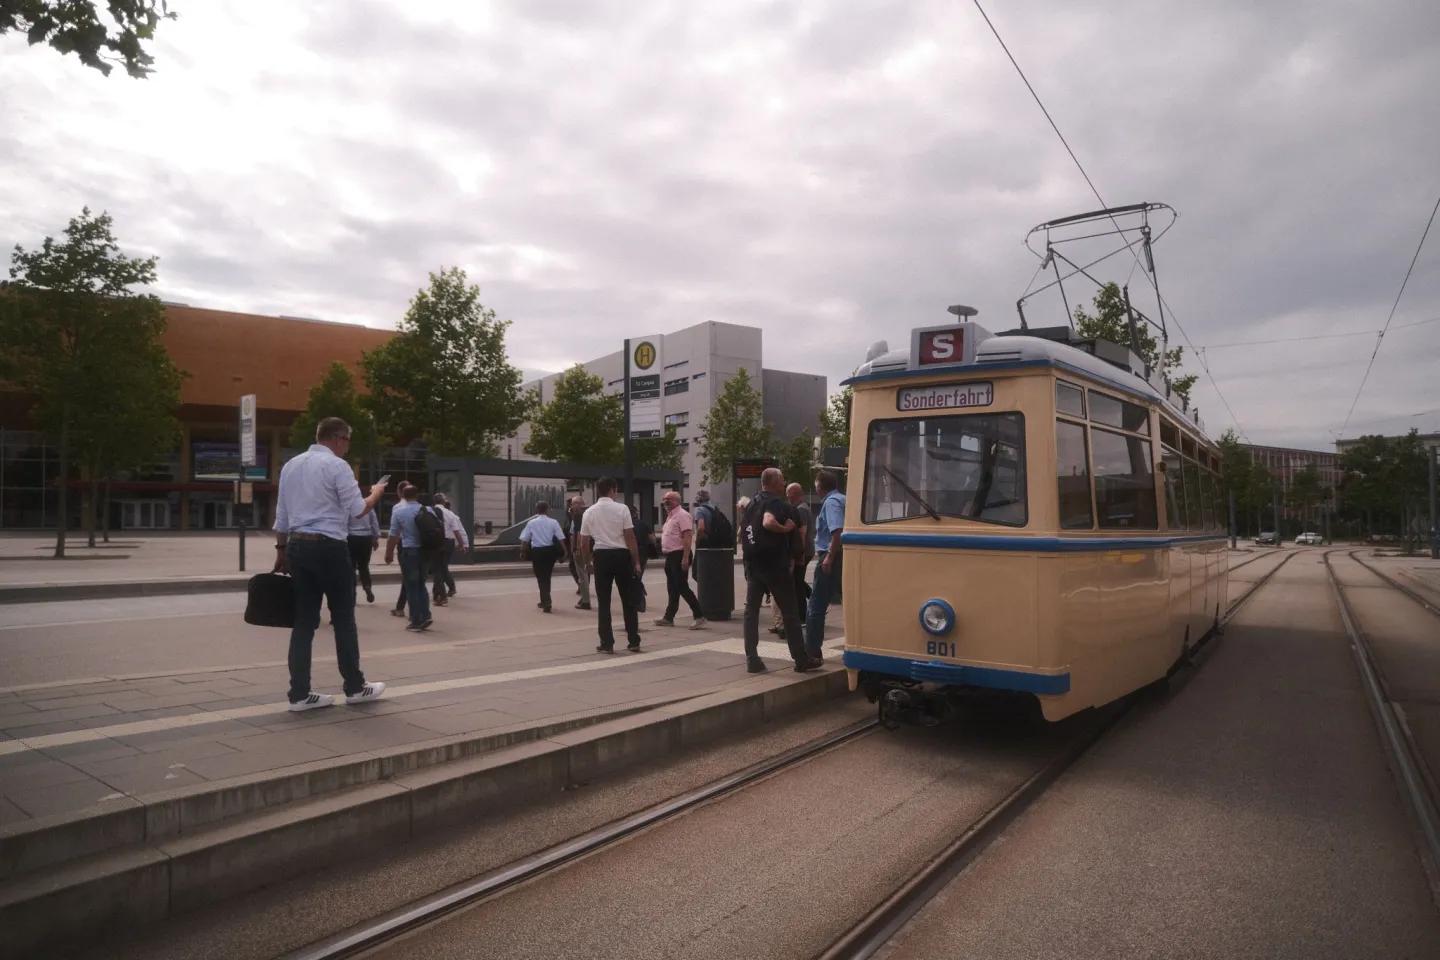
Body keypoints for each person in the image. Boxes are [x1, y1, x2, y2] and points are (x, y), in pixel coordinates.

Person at [272, 416, 387, 711]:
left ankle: (299, 694)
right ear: (337, 438)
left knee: (304, 623)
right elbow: (358, 510)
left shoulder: (291, 465)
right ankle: (355, 687)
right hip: (330, 547)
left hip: (297, 545)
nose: (347, 447)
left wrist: (281, 550)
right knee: (344, 619)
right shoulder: (337, 466)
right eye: (347, 441)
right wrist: (376, 493)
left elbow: (282, 515)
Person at [740, 468, 815, 673]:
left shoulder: (752, 503)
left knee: (751, 611)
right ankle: (800, 659)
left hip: (754, 565)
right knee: (790, 612)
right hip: (775, 566)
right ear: (774, 482)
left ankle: (752, 659)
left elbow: (742, 532)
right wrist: (787, 529)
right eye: (782, 480)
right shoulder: (776, 504)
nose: (783, 484)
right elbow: (768, 522)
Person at [578, 477, 643, 653]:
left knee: (603, 601)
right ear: (613, 490)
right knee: (628, 600)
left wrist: (587, 563)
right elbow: (630, 537)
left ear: (598, 490)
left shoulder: (589, 512)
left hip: (601, 556)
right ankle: (633, 640)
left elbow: (583, 542)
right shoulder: (622, 509)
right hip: (621, 556)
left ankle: (607, 642)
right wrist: (636, 561)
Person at [805, 469, 846, 661]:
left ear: (820, 487)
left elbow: (837, 531)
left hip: (831, 556)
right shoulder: (843, 499)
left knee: (816, 605)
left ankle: (812, 651)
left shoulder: (831, 503)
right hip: (843, 556)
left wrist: (829, 556)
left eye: (816, 486)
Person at [654, 490, 706, 629]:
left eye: (668, 499)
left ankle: (699, 615)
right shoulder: (670, 516)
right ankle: (668, 617)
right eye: (664, 500)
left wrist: (685, 558)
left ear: (677, 501)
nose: (665, 502)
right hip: (670, 556)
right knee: (672, 588)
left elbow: (687, 537)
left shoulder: (682, 515)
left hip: (679, 554)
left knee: (681, 586)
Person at [384, 483, 433, 631]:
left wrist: (388, 553)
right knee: (421, 584)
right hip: (425, 552)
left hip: (409, 552)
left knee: (411, 586)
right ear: (417, 495)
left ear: (402, 495)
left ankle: (416, 620)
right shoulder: (427, 510)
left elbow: (393, 535)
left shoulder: (399, 511)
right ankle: (426, 615)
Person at [519, 500, 567, 612]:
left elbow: (525, 539)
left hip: (537, 552)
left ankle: (546, 602)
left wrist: (522, 552)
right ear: (547, 510)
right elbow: (561, 538)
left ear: (537, 510)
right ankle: (544, 600)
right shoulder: (553, 522)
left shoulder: (531, 523)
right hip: (550, 552)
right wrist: (565, 552)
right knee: (547, 576)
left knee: (540, 577)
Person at [780, 482, 813, 636]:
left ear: (795, 493)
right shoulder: (803, 508)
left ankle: (802, 617)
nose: (787, 496)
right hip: (805, 552)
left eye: (789, 493)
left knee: (797, 585)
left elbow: (802, 533)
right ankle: (811, 602)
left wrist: (798, 555)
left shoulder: (800, 510)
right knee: (798, 582)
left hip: (803, 552)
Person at [347, 498, 381, 604]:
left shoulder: (348, 505)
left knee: (350, 567)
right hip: (366, 537)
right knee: (364, 566)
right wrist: (375, 538)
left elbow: (343, 523)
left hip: (351, 537)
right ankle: (367, 586)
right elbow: (374, 522)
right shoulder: (368, 505)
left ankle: (352, 595)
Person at [435, 493, 469, 597]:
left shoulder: (430, 511)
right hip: (448, 542)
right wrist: (463, 544)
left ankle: (443, 590)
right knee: (442, 566)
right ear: (444, 502)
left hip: (436, 541)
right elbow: (458, 531)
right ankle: (446, 588)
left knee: (439, 567)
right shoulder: (451, 514)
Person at [565, 495, 592, 610]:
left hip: (580, 548)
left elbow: (578, 533)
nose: (572, 506)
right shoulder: (586, 514)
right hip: (586, 547)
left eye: (574, 503)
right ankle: (584, 597)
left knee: (582, 575)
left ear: (580, 504)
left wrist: (576, 549)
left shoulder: (579, 516)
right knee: (584, 574)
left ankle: (586, 601)